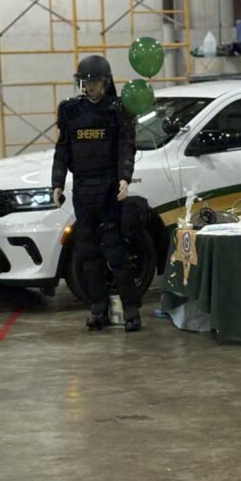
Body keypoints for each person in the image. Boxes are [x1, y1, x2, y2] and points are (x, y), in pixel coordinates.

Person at [51, 54, 142, 332]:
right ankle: (97, 309)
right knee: (88, 254)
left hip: (109, 189)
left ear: (106, 82)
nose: (89, 87)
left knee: (116, 253)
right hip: (82, 190)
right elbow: (63, 150)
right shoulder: (70, 111)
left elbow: (126, 147)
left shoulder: (118, 111)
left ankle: (131, 312)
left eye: (94, 82)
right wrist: (56, 182)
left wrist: (124, 177)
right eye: (85, 82)